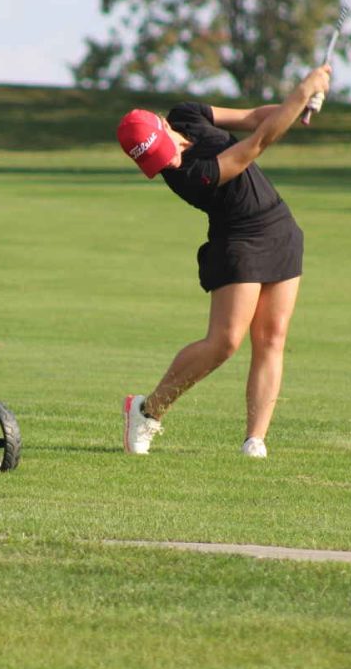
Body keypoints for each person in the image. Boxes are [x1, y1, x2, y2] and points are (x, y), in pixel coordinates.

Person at [116, 64, 332, 459]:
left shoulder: (186, 114)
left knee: (272, 338)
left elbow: (253, 119)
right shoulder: (187, 175)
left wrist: (295, 107)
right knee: (224, 342)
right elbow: (257, 143)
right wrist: (302, 90)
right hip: (238, 240)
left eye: (171, 149)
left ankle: (255, 440)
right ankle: (147, 411)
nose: (172, 160)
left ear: (166, 126)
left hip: (280, 229)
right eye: (160, 162)